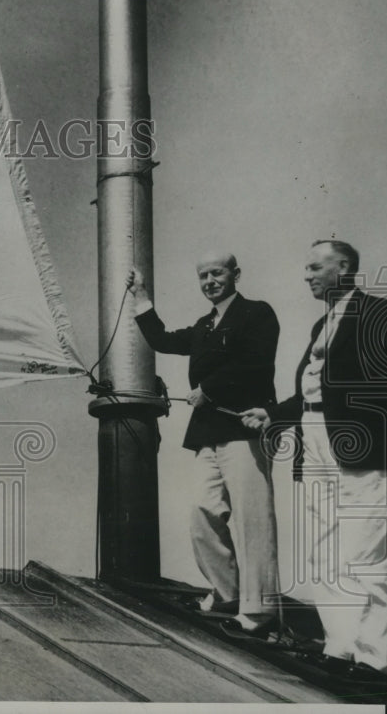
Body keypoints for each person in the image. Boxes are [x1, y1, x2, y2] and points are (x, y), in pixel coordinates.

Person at [242, 240, 387, 679]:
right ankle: (339, 648)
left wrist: (356, 419)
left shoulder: (379, 313)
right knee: (323, 548)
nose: (307, 275)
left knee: (365, 552)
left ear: (345, 267)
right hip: (312, 438)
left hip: (360, 444)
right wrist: (274, 414)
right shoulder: (323, 324)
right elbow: (310, 391)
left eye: (316, 266)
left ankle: (373, 661)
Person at [127, 254, 280, 635]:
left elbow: (255, 362)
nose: (210, 281)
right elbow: (162, 340)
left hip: (245, 430)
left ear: (235, 275)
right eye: (203, 276)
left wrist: (208, 390)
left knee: (252, 521)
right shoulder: (203, 326)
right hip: (208, 434)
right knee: (201, 511)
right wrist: (141, 295)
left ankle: (259, 612)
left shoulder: (257, 314)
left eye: (217, 273)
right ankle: (227, 594)